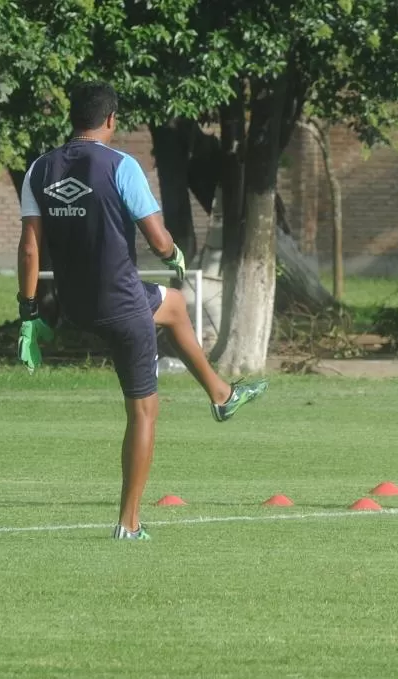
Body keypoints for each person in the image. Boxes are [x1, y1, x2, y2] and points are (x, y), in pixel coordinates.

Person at [15, 82, 268, 541]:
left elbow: (31, 247)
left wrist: (29, 313)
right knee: (144, 413)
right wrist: (173, 255)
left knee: (173, 307)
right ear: (111, 119)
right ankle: (128, 524)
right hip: (123, 306)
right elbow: (157, 238)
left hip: (76, 306)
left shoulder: (40, 168)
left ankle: (221, 394)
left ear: (74, 118)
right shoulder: (120, 165)